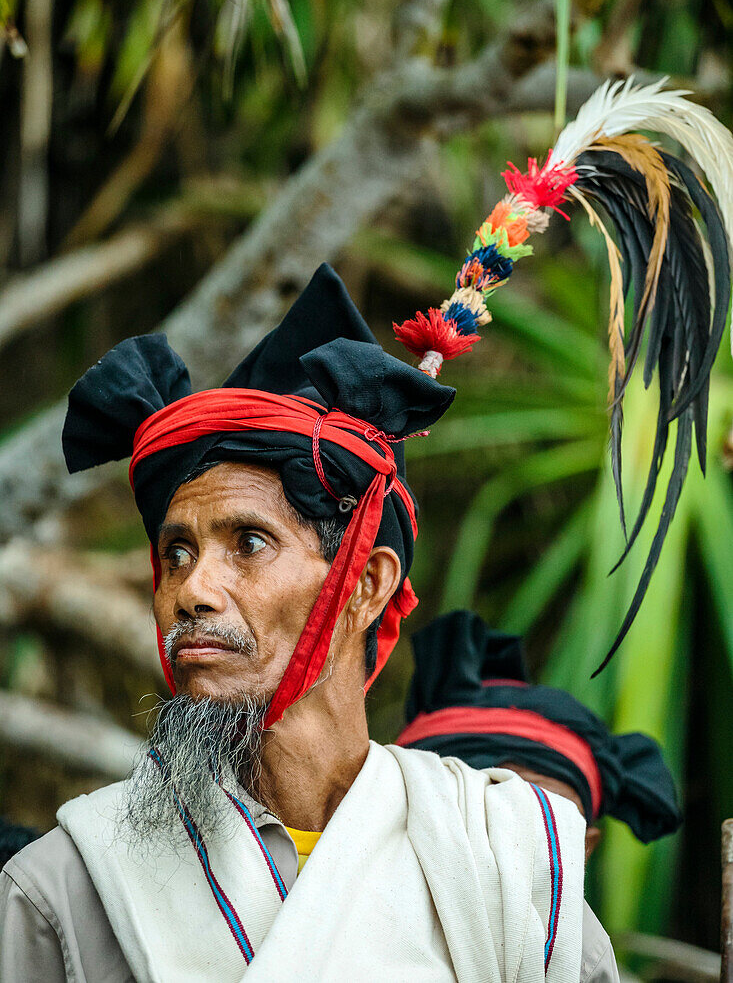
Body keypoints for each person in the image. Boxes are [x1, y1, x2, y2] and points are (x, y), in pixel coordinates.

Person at [2, 265, 592, 982]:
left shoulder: (510, 854)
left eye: (248, 543)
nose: (193, 589)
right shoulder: (63, 887)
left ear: (366, 585)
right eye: (176, 552)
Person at [395, 610, 684, 983]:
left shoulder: (586, 957)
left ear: (584, 847)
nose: (498, 847)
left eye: (538, 821)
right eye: (473, 812)